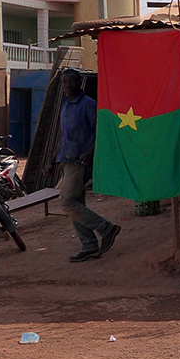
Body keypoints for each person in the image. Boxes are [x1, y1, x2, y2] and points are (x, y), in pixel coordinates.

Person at [56, 68, 121, 262]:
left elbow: (101, 132)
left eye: (72, 82)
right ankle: (89, 245)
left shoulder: (88, 105)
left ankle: (107, 228)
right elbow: (65, 136)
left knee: (67, 202)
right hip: (66, 159)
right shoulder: (66, 105)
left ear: (80, 83)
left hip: (80, 161)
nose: (69, 85)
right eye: (65, 82)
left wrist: (89, 153)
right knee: (76, 204)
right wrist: (53, 160)